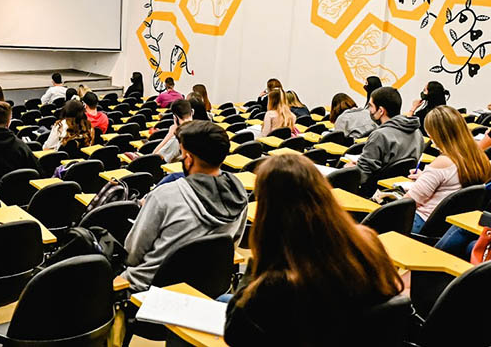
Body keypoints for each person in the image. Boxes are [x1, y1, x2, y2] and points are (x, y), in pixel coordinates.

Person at [223, 154, 403, 347]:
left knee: (222, 300)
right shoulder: (367, 241)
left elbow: (235, 335)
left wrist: (258, 263)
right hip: (346, 332)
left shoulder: (276, 284)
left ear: (267, 212)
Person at [122, 121, 248, 291]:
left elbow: (133, 254)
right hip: (206, 288)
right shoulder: (239, 195)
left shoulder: (164, 196)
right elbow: (229, 245)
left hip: (150, 289)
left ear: (188, 159)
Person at [405, 106, 491, 233]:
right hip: (447, 226)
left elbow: (408, 203)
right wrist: (425, 177)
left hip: (421, 222)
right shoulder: (479, 159)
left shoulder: (442, 162)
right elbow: (452, 182)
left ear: (437, 135)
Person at [349, 87, 424, 189]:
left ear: (381, 111)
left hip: (374, 190)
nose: (369, 110)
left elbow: (364, 174)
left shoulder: (379, 135)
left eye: (370, 106)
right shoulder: (417, 132)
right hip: (400, 189)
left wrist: (349, 171)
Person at [153, 99, 193, 163]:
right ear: (192, 113)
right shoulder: (201, 131)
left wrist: (169, 135)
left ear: (175, 118)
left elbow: (154, 157)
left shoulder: (177, 139)